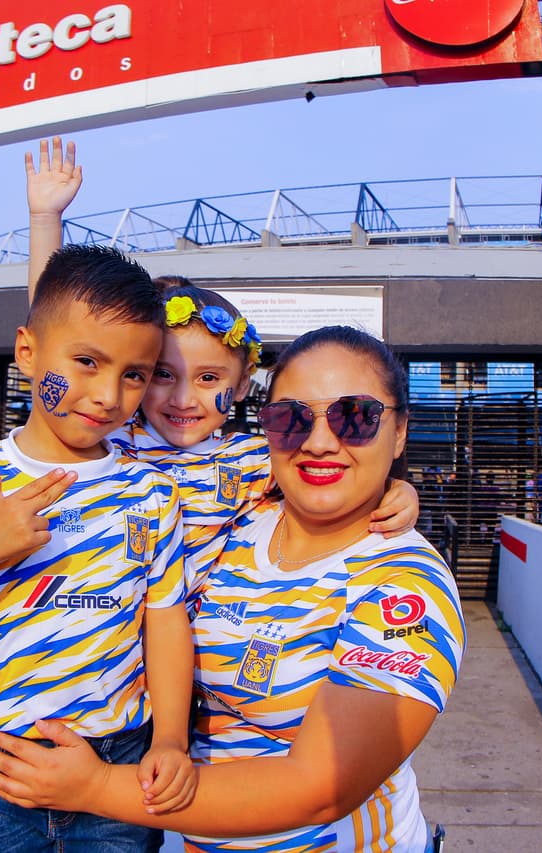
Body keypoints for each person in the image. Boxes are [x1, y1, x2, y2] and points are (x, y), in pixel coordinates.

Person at [0, 325, 466, 853]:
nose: (320, 441)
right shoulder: (235, 522)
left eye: (357, 418)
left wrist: (95, 788)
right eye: (291, 419)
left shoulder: (405, 585)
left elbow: (320, 789)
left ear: (398, 432)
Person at [0, 244, 196, 853]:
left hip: (121, 763)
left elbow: (165, 620)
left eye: (134, 374)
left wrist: (171, 741)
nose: (108, 395)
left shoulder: (153, 492)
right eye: (85, 362)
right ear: (27, 352)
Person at [25, 139, 420, 606]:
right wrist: (45, 220)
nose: (183, 398)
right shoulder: (111, 441)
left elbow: (334, 469)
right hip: (107, 650)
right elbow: (55, 333)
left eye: (209, 379)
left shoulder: (253, 462)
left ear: (239, 387)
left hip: (190, 659)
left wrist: (397, 488)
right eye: (162, 376)